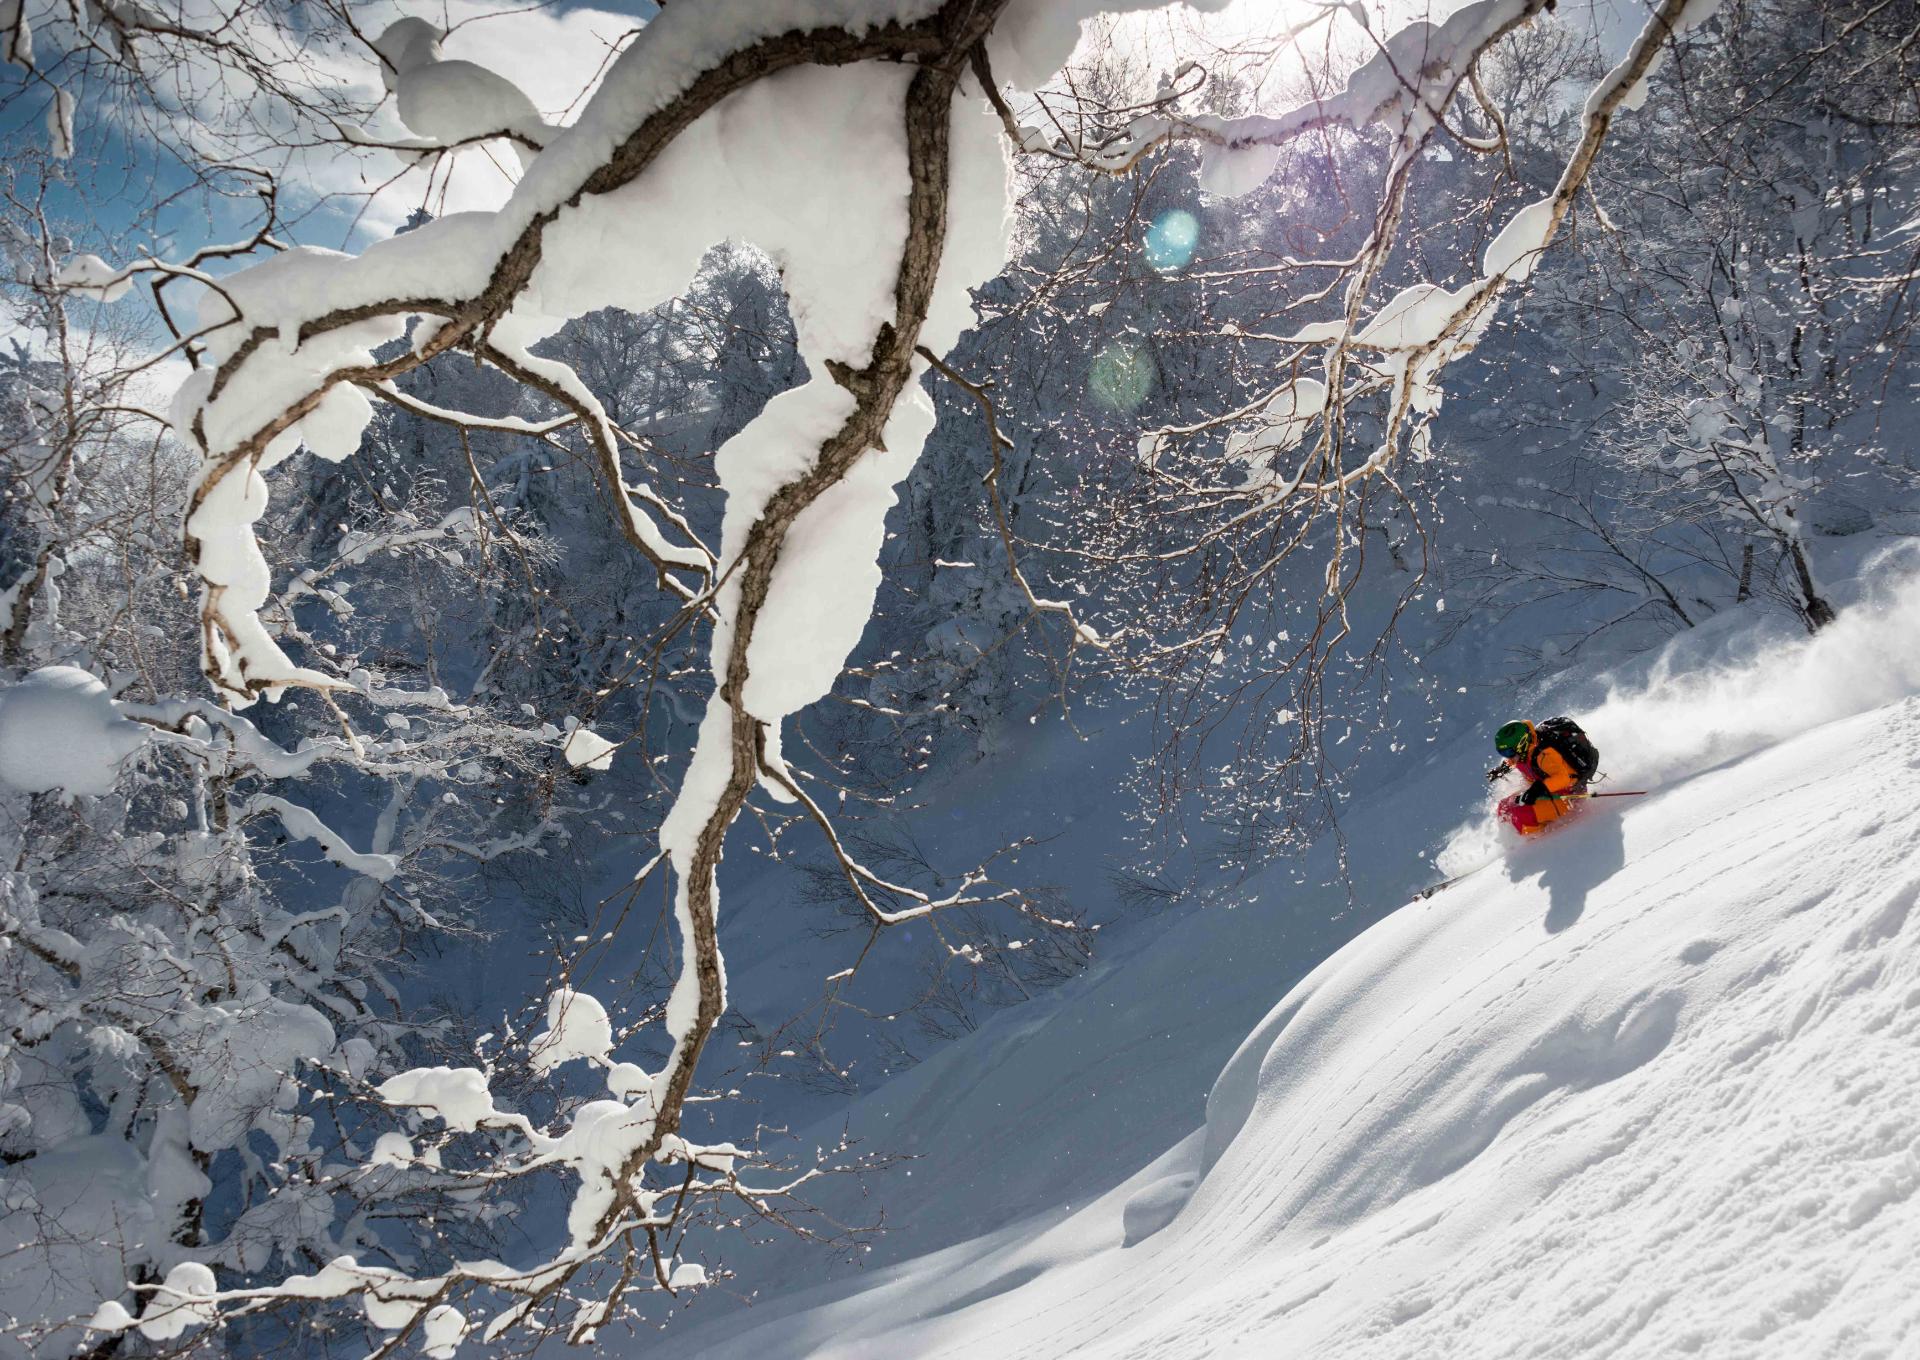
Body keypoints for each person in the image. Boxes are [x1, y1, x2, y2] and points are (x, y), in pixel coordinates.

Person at [1487, 718, 1593, 836]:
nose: (1508, 757)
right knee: (1504, 806)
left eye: (1508, 753)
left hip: (1568, 796)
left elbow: (1563, 778)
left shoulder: (1544, 755)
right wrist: (1502, 768)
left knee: (1519, 815)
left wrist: (1538, 788)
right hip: (1547, 792)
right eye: (1503, 753)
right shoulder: (1525, 750)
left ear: (1522, 743)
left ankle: (1536, 842)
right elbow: (1516, 761)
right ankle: (1518, 835)